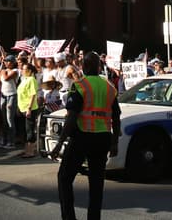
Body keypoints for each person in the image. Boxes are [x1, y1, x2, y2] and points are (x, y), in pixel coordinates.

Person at [52, 51, 121, 220]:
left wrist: (60, 143)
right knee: (97, 183)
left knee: (64, 178)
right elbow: (116, 117)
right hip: (103, 138)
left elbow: (72, 117)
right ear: (98, 67)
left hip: (83, 137)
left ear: (84, 66)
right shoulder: (110, 87)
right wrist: (114, 143)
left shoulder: (80, 85)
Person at [16, 58, 41, 159]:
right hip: (21, 108)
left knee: (29, 130)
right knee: (24, 130)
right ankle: (26, 149)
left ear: (30, 71)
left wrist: (29, 108)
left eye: (25, 69)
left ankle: (31, 151)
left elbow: (32, 95)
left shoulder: (32, 79)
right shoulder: (24, 79)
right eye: (22, 68)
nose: (22, 70)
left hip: (29, 108)